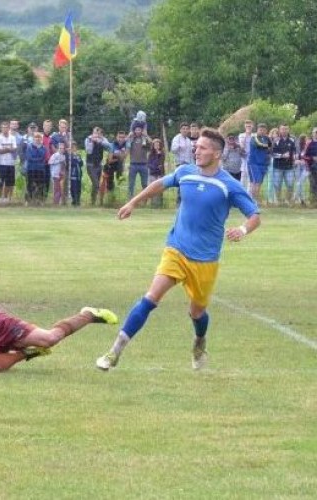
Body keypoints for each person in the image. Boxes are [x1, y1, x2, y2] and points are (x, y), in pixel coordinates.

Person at [95, 128, 261, 372]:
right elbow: (158, 185)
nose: (196, 150)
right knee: (150, 298)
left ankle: (199, 342)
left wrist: (243, 230)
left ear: (216, 154)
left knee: (197, 313)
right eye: (196, 147)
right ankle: (114, 352)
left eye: (202, 147)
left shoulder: (229, 185)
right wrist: (133, 203)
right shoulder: (185, 172)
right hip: (176, 250)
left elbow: (255, 215)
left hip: (206, 260)